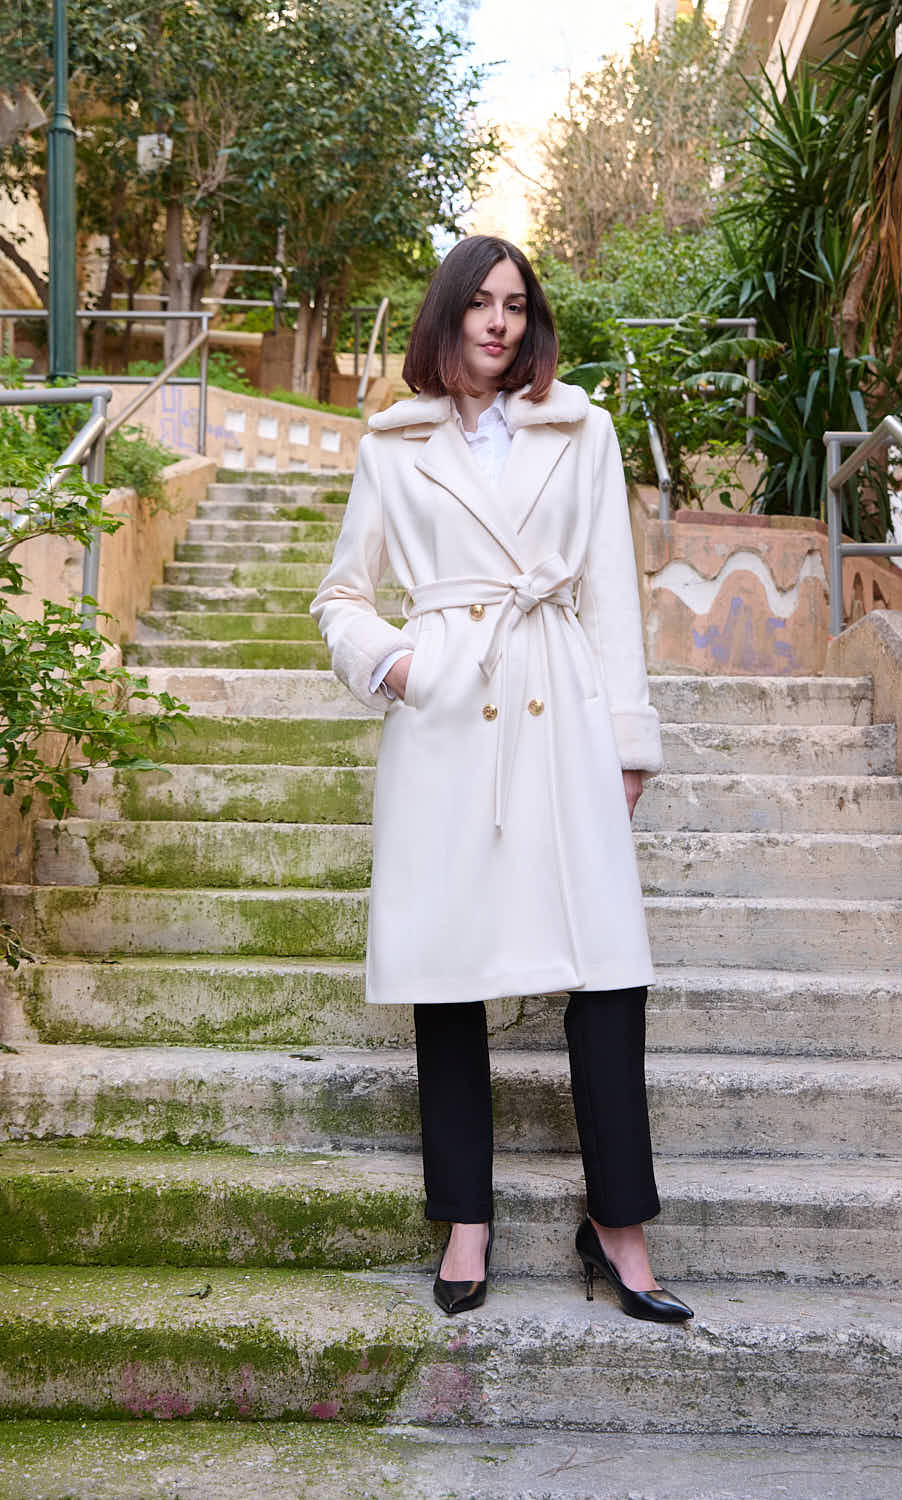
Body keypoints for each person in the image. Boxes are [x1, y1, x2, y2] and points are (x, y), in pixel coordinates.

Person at [310, 235, 693, 1325]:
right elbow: (342, 592)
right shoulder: (393, 445)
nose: (498, 322)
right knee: (448, 970)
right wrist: (394, 663)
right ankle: (465, 1221)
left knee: (606, 966)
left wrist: (627, 744)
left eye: (515, 305)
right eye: (479, 302)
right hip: (447, 716)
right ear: (448, 315)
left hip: (558, 703)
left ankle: (618, 1226)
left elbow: (611, 594)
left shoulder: (583, 429)